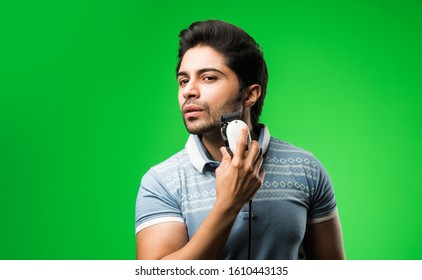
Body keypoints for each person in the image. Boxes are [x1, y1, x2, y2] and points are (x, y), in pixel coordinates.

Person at [135, 19, 345, 260]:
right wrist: (228, 204)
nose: (188, 91)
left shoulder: (307, 169)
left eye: (208, 78)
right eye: (184, 80)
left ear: (249, 94)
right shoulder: (161, 182)